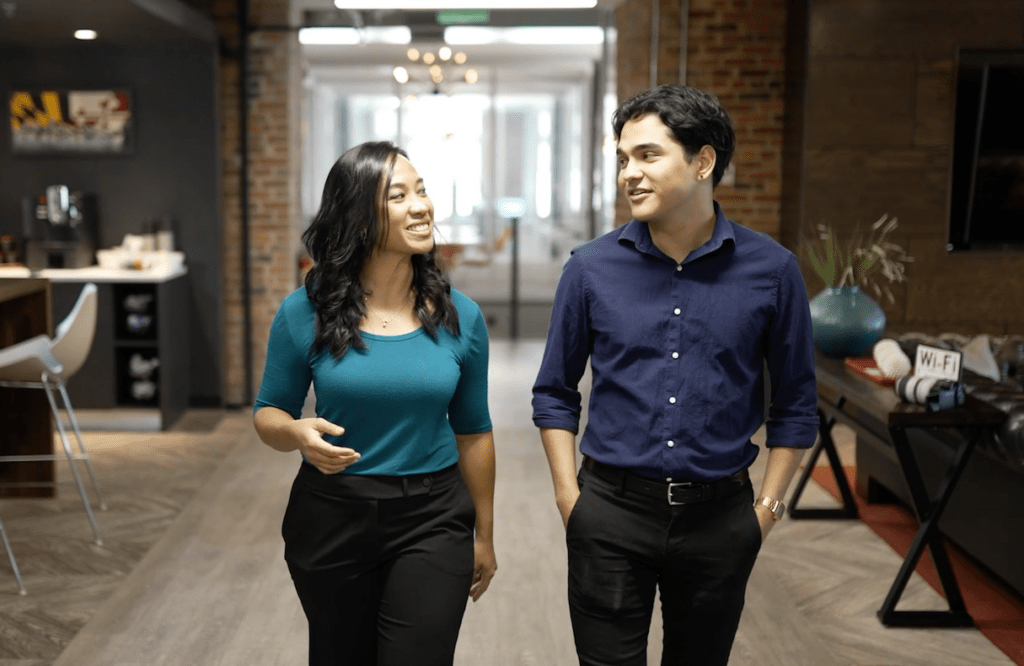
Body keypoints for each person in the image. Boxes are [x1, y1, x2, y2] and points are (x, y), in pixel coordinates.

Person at [532, 84, 818, 666]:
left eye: (647, 155)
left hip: (721, 520)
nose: (628, 173)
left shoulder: (773, 271)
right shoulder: (590, 269)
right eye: (622, 159)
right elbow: (554, 393)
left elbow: (795, 406)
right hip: (609, 513)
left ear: (703, 160)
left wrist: (765, 511)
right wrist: (571, 500)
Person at [253, 141, 497, 666]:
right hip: (332, 515)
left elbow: (474, 430)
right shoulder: (305, 310)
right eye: (399, 196)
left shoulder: (462, 317)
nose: (421, 205)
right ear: (359, 218)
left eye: (423, 190)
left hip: (433, 516)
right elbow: (268, 412)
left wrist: (485, 533)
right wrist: (296, 433)